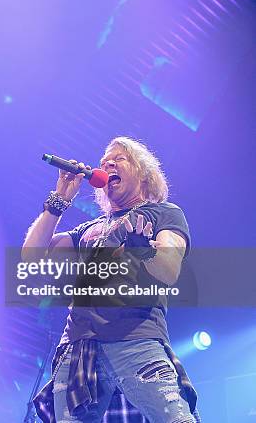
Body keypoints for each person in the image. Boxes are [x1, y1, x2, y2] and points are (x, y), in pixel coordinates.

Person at [22, 137, 199, 422]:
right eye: (105, 161)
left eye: (119, 158)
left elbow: (169, 271)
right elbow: (31, 257)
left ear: (143, 172)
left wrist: (144, 251)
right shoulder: (88, 229)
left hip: (135, 341)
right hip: (78, 350)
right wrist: (59, 200)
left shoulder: (164, 213)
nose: (107, 164)